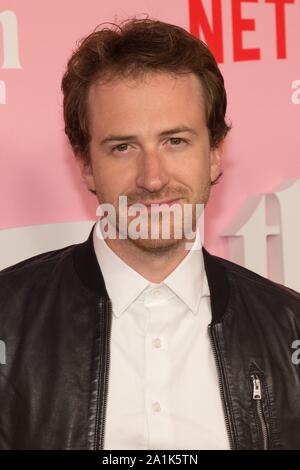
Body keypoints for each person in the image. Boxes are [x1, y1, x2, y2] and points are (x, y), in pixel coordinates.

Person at [0, 17, 299, 451]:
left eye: (175, 141)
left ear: (215, 154)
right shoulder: (7, 321)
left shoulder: (288, 327)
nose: (153, 178)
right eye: (123, 147)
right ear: (85, 163)